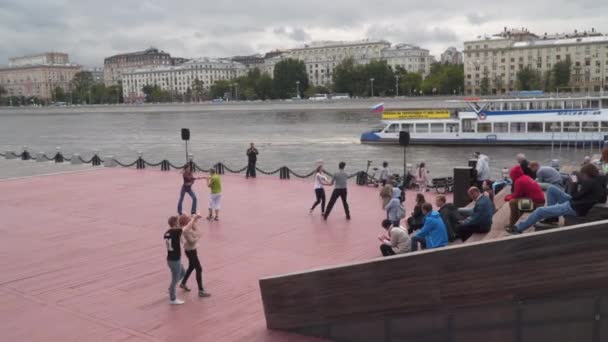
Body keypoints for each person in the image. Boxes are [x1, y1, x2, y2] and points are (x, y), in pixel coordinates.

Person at [509, 163, 608, 233]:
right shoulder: (600, 180)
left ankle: (518, 228)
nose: (582, 176)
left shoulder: (589, 182)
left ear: (586, 174)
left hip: (574, 207)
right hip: (577, 203)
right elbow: (602, 198)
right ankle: (552, 218)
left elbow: (574, 195)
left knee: (540, 211)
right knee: (552, 188)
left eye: (583, 174)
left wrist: (574, 182)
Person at [164, 213, 202, 305]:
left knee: (183, 273)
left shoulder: (167, 233)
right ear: (175, 224)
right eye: (177, 222)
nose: (179, 224)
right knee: (175, 279)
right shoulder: (176, 232)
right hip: (174, 260)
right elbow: (187, 227)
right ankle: (172, 298)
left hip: (171, 259)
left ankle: (171, 288)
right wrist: (194, 219)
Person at [179, 215, 211, 298]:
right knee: (199, 268)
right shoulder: (186, 230)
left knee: (191, 266)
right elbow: (192, 241)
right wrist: (198, 236)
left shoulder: (186, 229)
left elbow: (195, 227)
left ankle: (183, 283)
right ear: (186, 222)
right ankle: (201, 290)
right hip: (191, 251)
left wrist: (195, 219)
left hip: (189, 250)